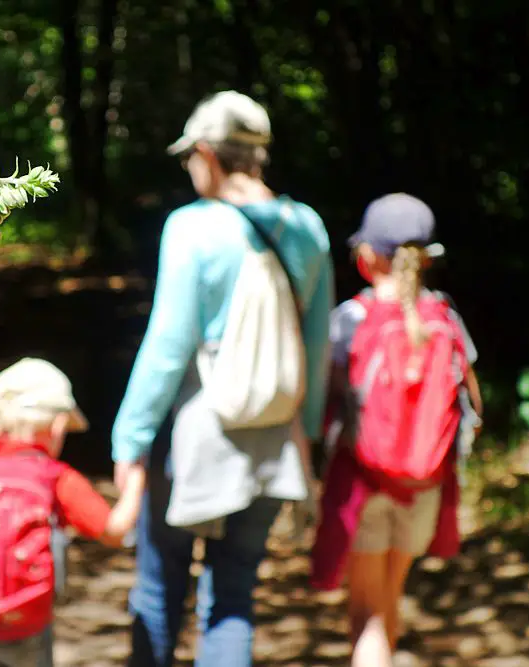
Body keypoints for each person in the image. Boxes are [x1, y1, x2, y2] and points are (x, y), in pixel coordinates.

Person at [111, 90, 334, 667]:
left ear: (207, 154)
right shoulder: (307, 228)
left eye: (190, 157)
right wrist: (304, 434)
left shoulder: (192, 227)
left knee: (159, 592)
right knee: (232, 597)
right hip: (272, 442)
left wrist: (130, 440)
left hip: (194, 442)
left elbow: (168, 345)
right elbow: (315, 348)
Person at [310, 193, 483, 659]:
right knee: (389, 598)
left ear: (366, 258)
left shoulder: (350, 320)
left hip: (363, 483)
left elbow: (323, 404)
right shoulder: (445, 317)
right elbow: (472, 405)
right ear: (426, 259)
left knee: (365, 611)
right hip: (424, 484)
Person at [0, 357, 146, 667]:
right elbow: (116, 531)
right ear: (59, 426)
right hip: (31, 627)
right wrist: (136, 480)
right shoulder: (58, 479)